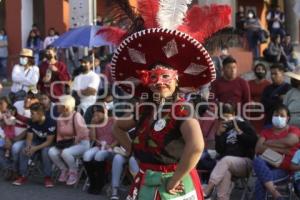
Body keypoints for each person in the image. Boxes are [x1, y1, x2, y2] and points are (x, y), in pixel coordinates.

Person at [203, 103, 257, 199]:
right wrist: (218, 134)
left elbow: (253, 142)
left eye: (228, 117)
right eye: (223, 118)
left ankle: (208, 188)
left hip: (245, 162)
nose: (226, 120)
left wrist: (239, 131)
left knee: (226, 160)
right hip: (227, 164)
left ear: (234, 115)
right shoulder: (224, 128)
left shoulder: (244, 124)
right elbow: (220, 150)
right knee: (225, 168)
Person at [253, 104, 300, 200]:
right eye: (276, 115)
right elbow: (258, 149)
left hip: (284, 167)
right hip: (268, 163)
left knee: (260, 181)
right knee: (257, 160)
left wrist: (268, 143)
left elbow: (290, 141)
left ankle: (275, 194)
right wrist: (283, 149)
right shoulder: (266, 131)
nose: (278, 117)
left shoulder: (293, 129)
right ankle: (276, 195)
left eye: (282, 115)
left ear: (288, 118)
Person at [48, 95, 90, 186]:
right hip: (67, 143)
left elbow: (82, 134)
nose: (57, 105)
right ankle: (64, 169)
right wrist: (60, 144)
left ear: (65, 106)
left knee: (66, 152)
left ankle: (74, 172)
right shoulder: (60, 117)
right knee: (52, 151)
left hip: (81, 143)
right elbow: (59, 135)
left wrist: (71, 145)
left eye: (59, 104)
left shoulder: (76, 116)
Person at [12, 103, 56, 187]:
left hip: (47, 144)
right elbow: (29, 138)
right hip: (36, 141)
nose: (31, 116)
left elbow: (49, 142)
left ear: (40, 114)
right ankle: (23, 175)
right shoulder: (32, 121)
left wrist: (35, 148)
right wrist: (28, 147)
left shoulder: (51, 122)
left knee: (45, 152)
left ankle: (48, 177)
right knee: (24, 149)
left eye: (32, 114)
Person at [82, 104, 117, 194]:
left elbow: (120, 137)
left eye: (98, 113)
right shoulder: (95, 122)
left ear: (104, 112)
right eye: (94, 114)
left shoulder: (113, 120)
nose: (95, 115)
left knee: (99, 156)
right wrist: (93, 125)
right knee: (86, 155)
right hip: (99, 146)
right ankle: (93, 182)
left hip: (111, 147)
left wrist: (111, 146)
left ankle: (100, 183)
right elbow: (93, 138)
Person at [248, 63, 271, 133]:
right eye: (258, 69)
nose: (260, 71)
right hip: (250, 110)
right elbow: (246, 95)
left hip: (262, 111)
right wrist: (251, 101)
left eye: (262, 69)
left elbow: (268, 98)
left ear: (265, 71)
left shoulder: (268, 84)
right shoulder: (249, 83)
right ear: (255, 71)